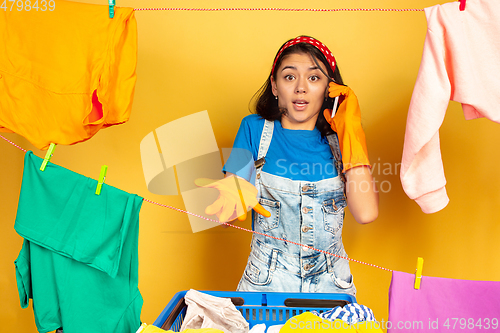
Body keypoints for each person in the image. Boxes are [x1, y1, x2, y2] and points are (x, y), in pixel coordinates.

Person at [201, 36, 378, 295]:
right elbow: (228, 211)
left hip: (332, 290)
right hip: (265, 287)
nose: (301, 88)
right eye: (289, 77)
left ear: (331, 88)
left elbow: (366, 213)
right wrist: (230, 200)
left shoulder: (342, 140)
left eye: (314, 78)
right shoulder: (252, 129)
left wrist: (351, 133)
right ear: (274, 86)